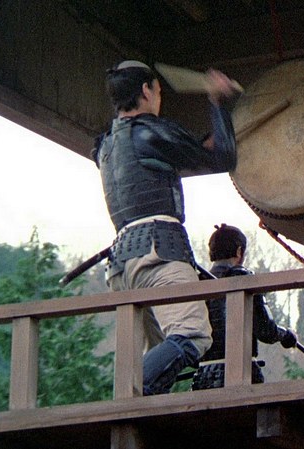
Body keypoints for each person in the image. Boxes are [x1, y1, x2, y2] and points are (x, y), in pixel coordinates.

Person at [91, 60, 240, 395]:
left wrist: (198, 144)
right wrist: (217, 102)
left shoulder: (104, 145)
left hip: (122, 263)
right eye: (157, 91)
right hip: (159, 252)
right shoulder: (152, 132)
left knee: (156, 351)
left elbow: (164, 158)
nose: (159, 99)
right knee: (191, 335)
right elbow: (225, 157)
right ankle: (131, 396)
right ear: (146, 90)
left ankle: (134, 405)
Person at [192, 224, 298, 388]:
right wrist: (286, 335)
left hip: (204, 376)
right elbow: (266, 331)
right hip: (243, 373)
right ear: (239, 251)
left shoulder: (198, 282)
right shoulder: (243, 278)